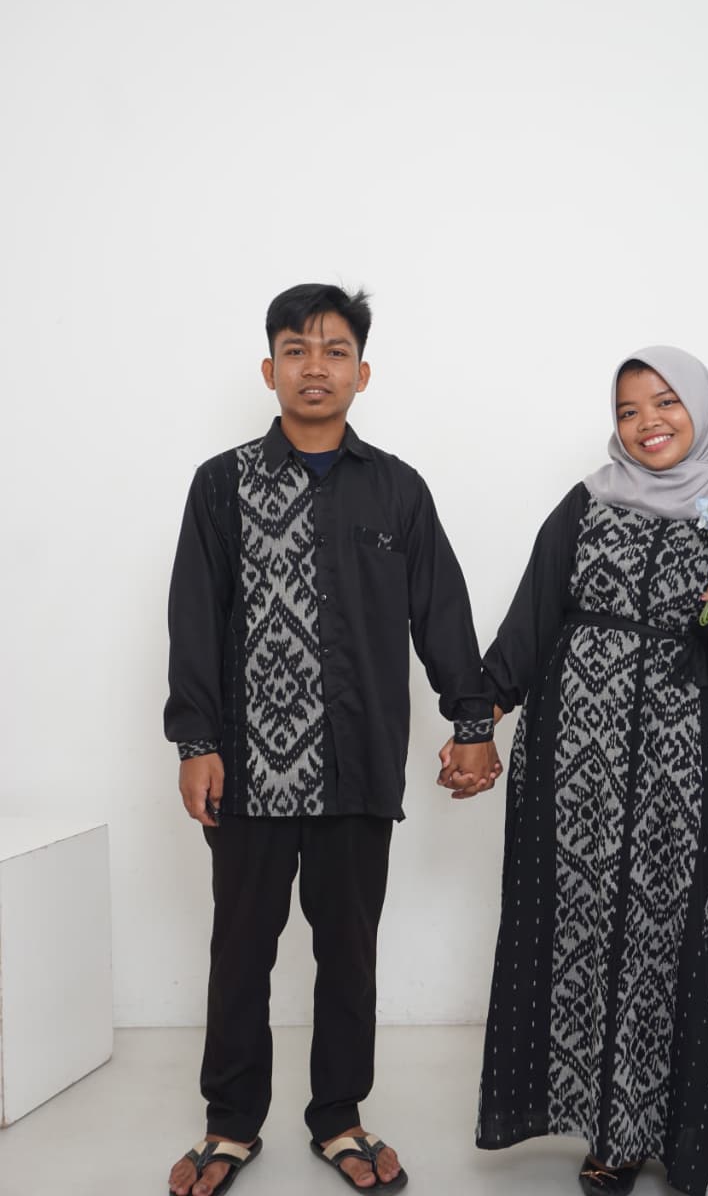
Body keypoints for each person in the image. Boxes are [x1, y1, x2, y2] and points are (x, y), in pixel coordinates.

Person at [439, 346, 708, 1196]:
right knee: (585, 935)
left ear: (702, 408)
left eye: (665, 402)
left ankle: (700, 1133)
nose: (647, 423)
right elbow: (528, 626)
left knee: (682, 946)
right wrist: (474, 725)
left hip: (685, 774)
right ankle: (612, 1130)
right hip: (574, 770)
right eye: (628, 410)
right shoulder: (585, 504)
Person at [164, 283, 499, 1196]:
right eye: (296, 350)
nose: (315, 367)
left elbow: (441, 614)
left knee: (348, 953)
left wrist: (472, 723)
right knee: (240, 952)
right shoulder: (221, 484)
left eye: (335, 351)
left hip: (359, 765)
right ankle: (230, 1125)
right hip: (247, 774)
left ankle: (338, 1117)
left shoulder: (397, 489)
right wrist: (195, 741)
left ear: (362, 372)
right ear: (269, 368)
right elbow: (194, 618)